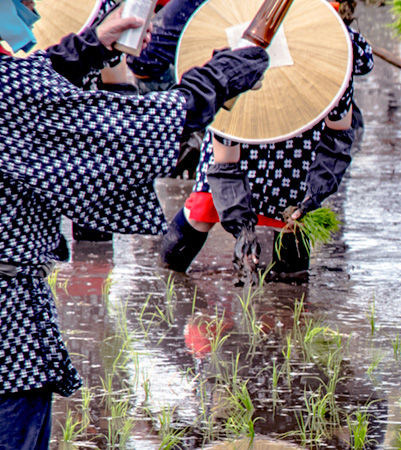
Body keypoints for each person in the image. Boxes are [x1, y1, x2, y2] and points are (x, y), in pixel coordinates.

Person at [0, 3, 269, 447]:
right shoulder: (12, 90)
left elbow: (31, 93)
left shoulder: (17, 86)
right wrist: (218, 78)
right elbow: (142, 129)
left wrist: (84, 50)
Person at [159, 20, 375, 281]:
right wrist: (241, 227)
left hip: (299, 151)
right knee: (203, 209)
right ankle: (167, 278)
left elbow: (337, 136)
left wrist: (316, 192)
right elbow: (225, 159)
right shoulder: (239, 60)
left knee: (294, 219)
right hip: (242, 131)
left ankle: (289, 304)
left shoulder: (335, 59)